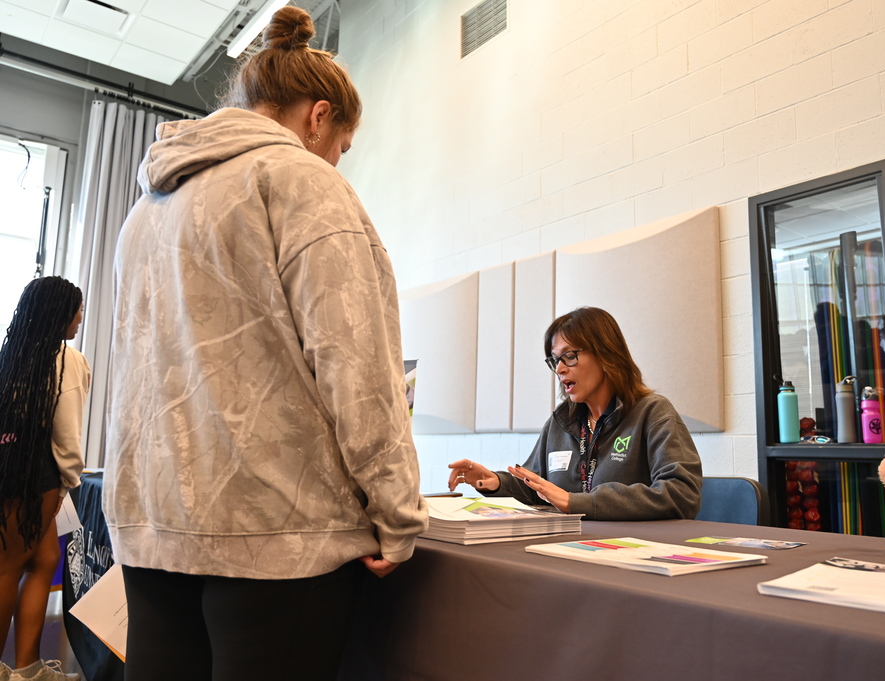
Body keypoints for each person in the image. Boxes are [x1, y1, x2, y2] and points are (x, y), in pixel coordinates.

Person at [103, 7, 427, 681]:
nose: (340, 158)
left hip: (153, 523)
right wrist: (397, 512)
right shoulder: (304, 182)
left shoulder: (146, 209)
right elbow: (356, 365)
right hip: (279, 531)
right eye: (343, 141)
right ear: (318, 115)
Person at [448, 307, 702, 520]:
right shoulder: (561, 422)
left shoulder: (653, 412)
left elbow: (681, 495)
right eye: (554, 360)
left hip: (631, 550)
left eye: (569, 357)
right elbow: (536, 487)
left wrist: (577, 503)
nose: (559, 369)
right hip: (567, 546)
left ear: (606, 354)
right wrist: (495, 482)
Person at [0, 277, 88, 681]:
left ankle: (28, 668)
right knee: (8, 568)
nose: (80, 317)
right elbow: (66, 435)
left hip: (8, 469)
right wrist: (70, 482)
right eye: (77, 309)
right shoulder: (66, 358)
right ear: (60, 314)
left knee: (44, 558)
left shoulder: (12, 353)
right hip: (37, 478)